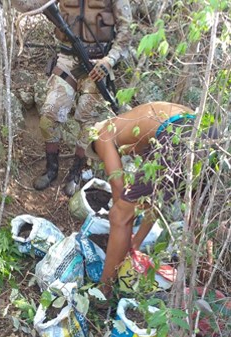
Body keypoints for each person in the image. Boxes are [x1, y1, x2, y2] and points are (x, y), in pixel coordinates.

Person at [84, 101, 207, 297]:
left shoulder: (103, 134)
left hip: (177, 133)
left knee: (118, 216)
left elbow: (117, 185)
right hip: (207, 134)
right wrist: (137, 239)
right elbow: (154, 202)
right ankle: (204, 279)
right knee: (198, 218)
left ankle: (103, 291)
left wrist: (121, 223)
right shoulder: (141, 129)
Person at [32, 0, 132, 196]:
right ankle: (51, 168)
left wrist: (110, 60)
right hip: (67, 59)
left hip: (98, 63)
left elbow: (126, 28)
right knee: (48, 117)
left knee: (88, 123)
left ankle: (76, 171)